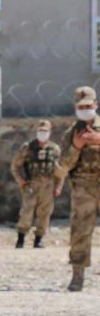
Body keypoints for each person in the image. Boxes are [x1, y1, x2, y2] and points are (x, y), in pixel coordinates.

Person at [58, 86, 100, 291]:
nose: (85, 109)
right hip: (84, 188)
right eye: (80, 106)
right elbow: (64, 166)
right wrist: (76, 146)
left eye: (88, 105)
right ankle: (77, 275)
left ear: (96, 105)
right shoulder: (72, 132)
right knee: (80, 232)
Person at [10, 119, 64, 249]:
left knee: (44, 213)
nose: (42, 133)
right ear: (36, 132)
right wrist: (20, 180)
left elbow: (60, 171)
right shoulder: (27, 147)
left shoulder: (55, 149)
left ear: (50, 132)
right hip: (31, 185)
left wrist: (58, 187)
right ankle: (21, 239)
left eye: (45, 131)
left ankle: (38, 240)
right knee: (26, 212)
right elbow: (15, 166)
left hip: (48, 186)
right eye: (40, 130)